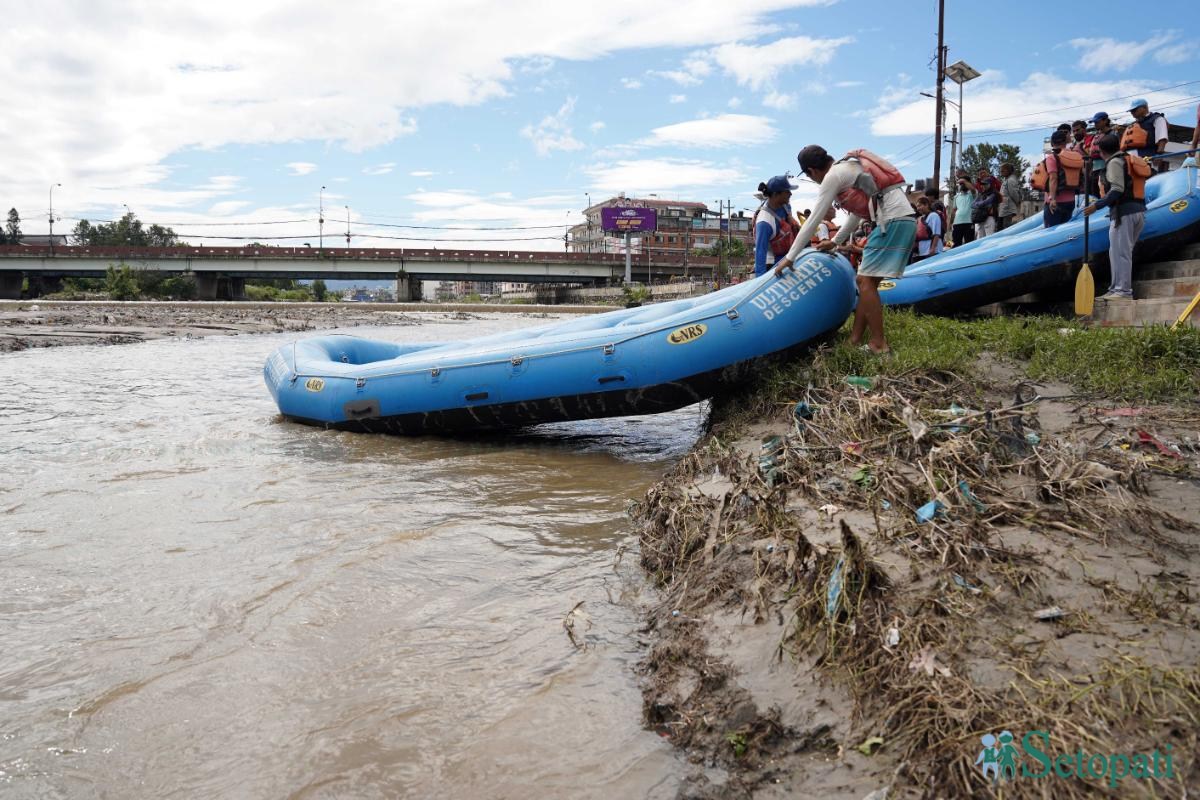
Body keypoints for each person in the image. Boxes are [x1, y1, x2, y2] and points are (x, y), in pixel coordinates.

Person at [775, 144, 917, 355]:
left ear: (811, 171)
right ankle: (855, 339)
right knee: (866, 282)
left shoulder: (834, 176)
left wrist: (790, 257)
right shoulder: (850, 167)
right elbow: (859, 212)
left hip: (892, 219)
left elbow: (814, 219)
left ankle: (879, 344)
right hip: (902, 218)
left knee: (864, 282)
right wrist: (836, 241)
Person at [1084, 133, 1150, 300]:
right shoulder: (1127, 158)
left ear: (1101, 151)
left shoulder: (1114, 162)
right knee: (1120, 252)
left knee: (1120, 253)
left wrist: (1096, 206)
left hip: (1124, 214)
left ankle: (1122, 291)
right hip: (1138, 211)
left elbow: (1117, 189)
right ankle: (1116, 289)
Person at [751, 175, 799, 277]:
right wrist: (760, 281)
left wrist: (791, 218)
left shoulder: (785, 205)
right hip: (772, 265)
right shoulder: (765, 222)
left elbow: (789, 215)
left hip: (788, 257)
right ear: (776, 194)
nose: (790, 194)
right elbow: (760, 252)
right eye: (787, 191)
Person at [1039, 130, 1079, 227]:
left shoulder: (1052, 158)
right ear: (1065, 142)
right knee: (1065, 233)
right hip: (1071, 201)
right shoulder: (1075, 156)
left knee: (1050, 233)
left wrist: (1052, 199)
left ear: (1052, 143)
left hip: (1056, 202)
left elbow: (1053, 178)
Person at [1124, 98, 1169, 173]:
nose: (1132, 112)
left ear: (1144, 107)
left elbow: (1162, 137)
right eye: (1131, 111)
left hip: (1147, 160)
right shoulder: (1133, 124)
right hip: (1130, 160)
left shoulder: (1157, 119)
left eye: (1134, 110)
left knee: (1146, 182)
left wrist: (1159, 154)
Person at [912, 196, 943, 261]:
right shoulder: (920, 218)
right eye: (917, 206)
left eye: (920, 206)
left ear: (926, 205)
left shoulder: (934, 216)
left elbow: (936, 234)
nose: (918, 208)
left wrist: (933, 248)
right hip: (922, 251)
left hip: (932, 250)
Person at [972, 170, 999, 239]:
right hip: (980, 219)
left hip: (989, 218)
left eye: (985, 184)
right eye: (982, 184)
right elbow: (972, 205)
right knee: (979, 239)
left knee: (989, 239)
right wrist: (980, 204)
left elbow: (987, 202)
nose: (983, 186)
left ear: (990, 184)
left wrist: (979, 204)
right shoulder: (981, 194)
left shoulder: (994, 193)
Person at [951, 171, 975, 247]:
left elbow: (973, 189)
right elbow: (954, 210)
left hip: (969, 222)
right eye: (961, 184)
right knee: (955, 244)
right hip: (957, 223)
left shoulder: (972, 194)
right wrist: (950, 224)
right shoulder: (956, 196)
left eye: (964, 183)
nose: (962, 185)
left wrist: (964, 181)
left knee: (969, 244)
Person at [997, 163, 1022, 230]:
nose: (1001, 173)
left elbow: (1014, 194)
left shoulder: (1011, 180)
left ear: (1008, 170)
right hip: (1003, 210)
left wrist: (1017, 203)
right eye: (1000, 171)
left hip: (1008, 210)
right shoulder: (1006, 180)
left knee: (1006, 229)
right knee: (1000, 228)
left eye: (1003, 171)